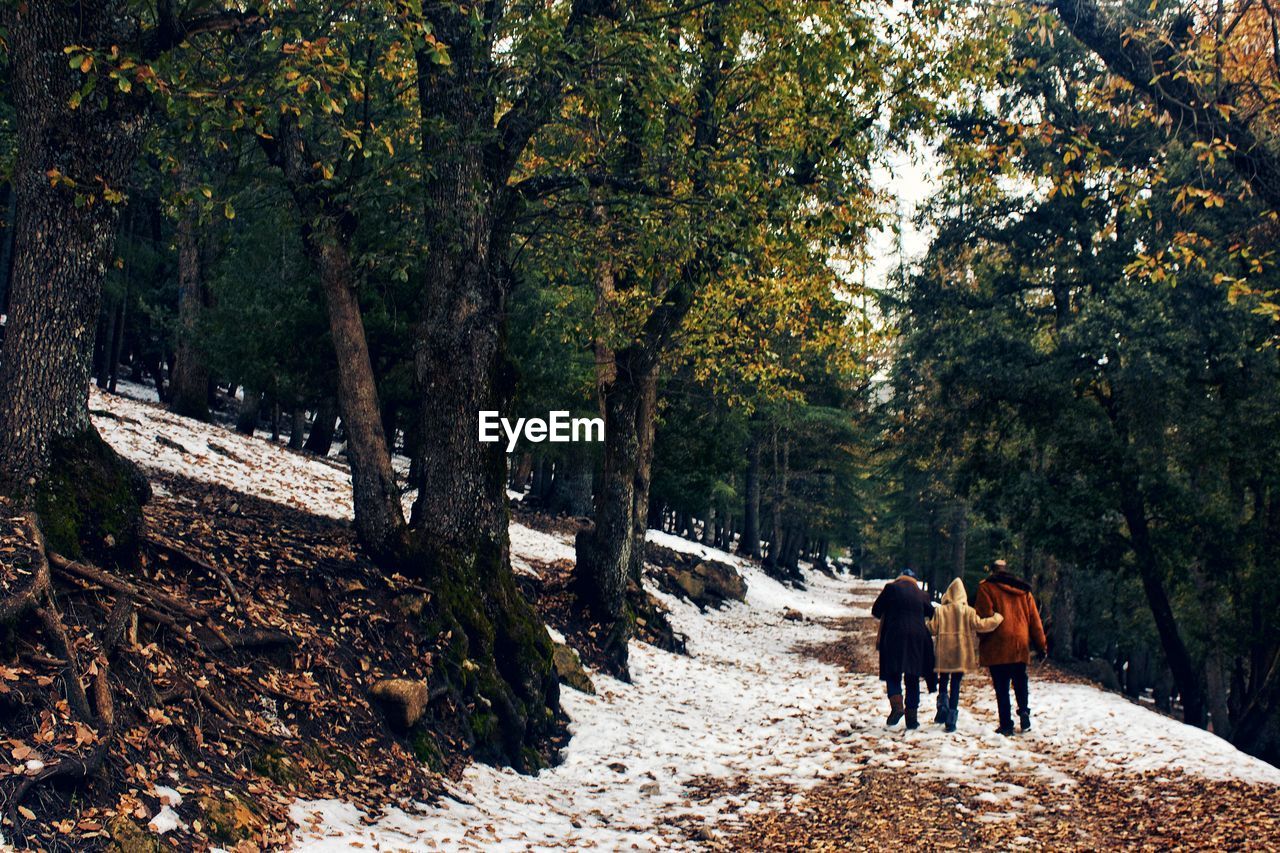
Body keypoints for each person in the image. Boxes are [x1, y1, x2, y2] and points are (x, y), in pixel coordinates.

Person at [975, 559, 1047, 736]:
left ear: (992, 571)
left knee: (1002, 685)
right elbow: (1035, 620)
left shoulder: (986, 588)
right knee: (1020, 679)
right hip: (1019, 643)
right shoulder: (1024, 590)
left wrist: (981, 638)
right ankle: (1023, 711)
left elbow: (984, 617)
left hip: (997, 642)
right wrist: (1041, 645)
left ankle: (1006, 724)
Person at [928, 577, 1004, 732]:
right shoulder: (968, 611)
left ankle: (942, 704)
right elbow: (980, 625)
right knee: (955, 684)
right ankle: (951, 720)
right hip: (960, 653)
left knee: (943, 679)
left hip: (944, 651)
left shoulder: (940, 611)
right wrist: (996, 618)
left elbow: (932, 629)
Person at [871, 568, 936, 729]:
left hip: (894, 634)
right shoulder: (922, 594)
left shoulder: (891, 588)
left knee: (892, 672)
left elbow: (876, 611)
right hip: (917, 637)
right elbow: (931, 612)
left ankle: (897, 706)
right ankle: (912, 718)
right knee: (912, 675)